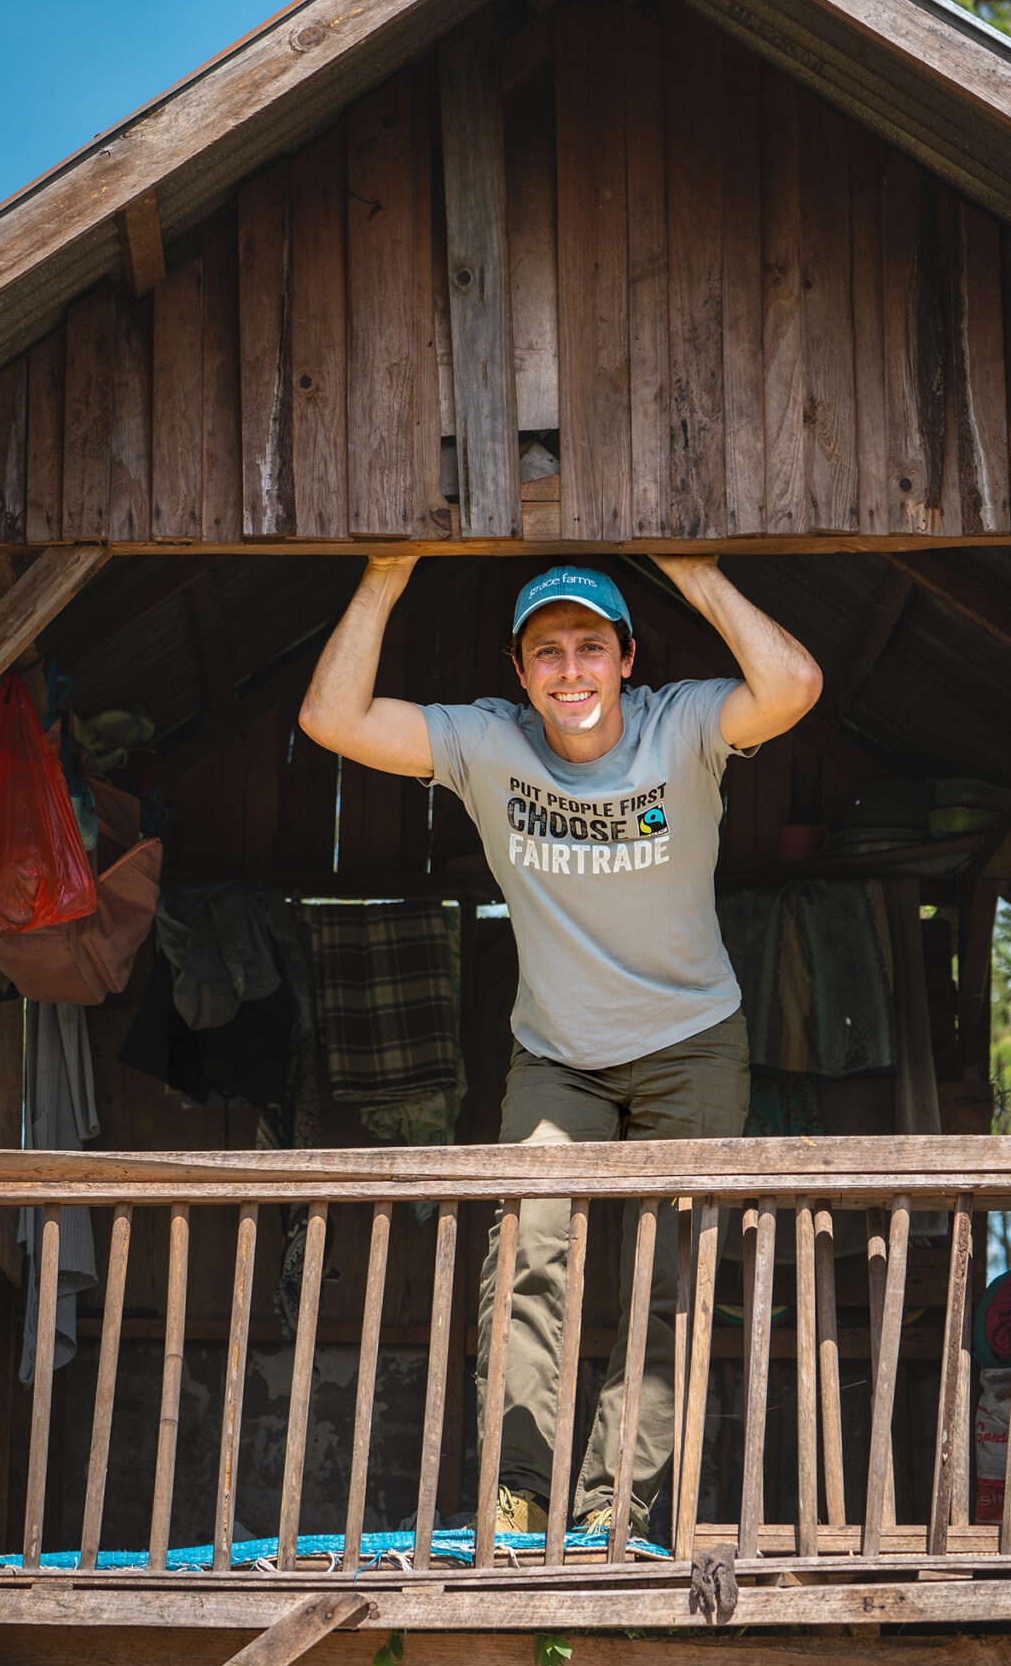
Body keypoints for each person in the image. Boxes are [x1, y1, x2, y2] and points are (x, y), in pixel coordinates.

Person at [300, 554, 822, 1539]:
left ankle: (609, 1515)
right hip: (557, 1058)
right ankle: (518, 1499)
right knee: (525, 1258)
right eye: (548, 652)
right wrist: (383, 572)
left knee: (672, 1275)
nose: (570, 669)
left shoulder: (685, 725)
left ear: (629, 658)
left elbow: (792, 685)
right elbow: (330, 719)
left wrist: (699, 573)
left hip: (691, 1043)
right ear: (518, 670)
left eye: (592, 647)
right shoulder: (483, 745)